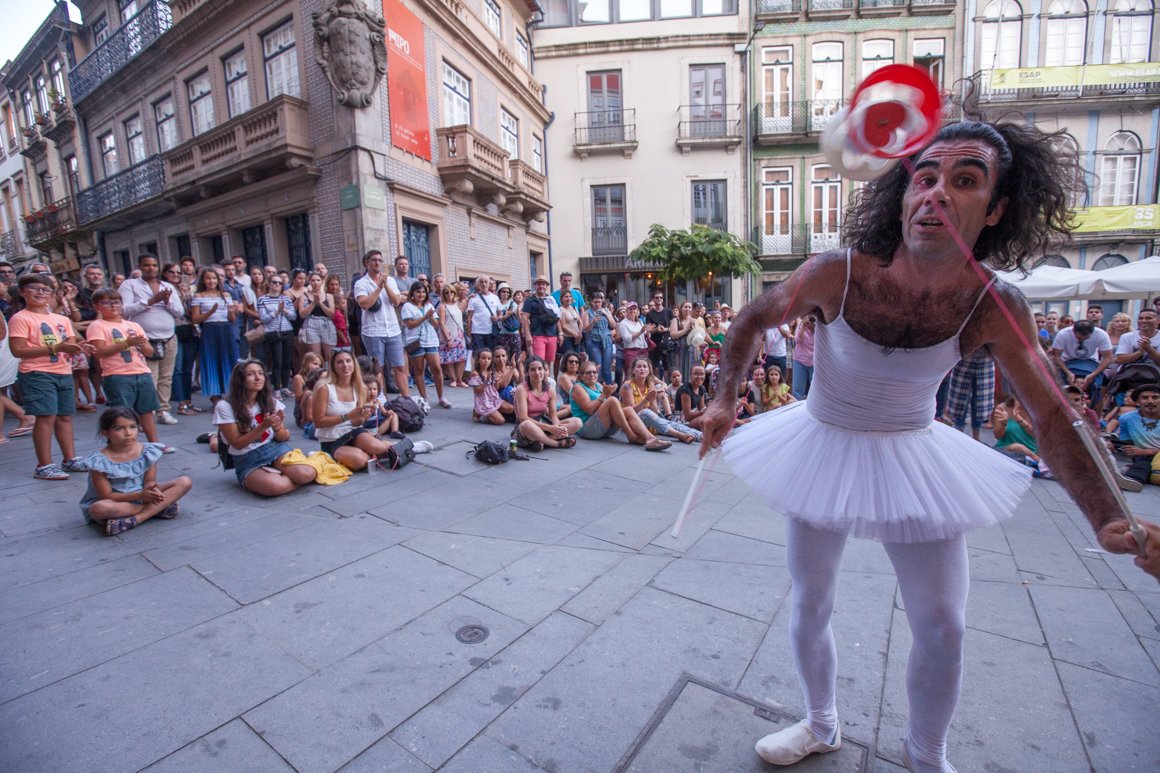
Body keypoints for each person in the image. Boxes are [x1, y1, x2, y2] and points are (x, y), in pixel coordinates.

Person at [699, 120, 1160, 771]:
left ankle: (927, 756)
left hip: (917, 453)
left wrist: (1107, 515)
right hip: (819, 443)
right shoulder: (836, 272)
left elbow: (1052, 413)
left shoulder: (996, 305)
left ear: (996, 209)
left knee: (945, 623)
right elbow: (751, 318)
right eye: (924, 177)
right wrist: (724, 397)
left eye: (965, 180)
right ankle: (821, 723)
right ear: (903, 195)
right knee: (810, 599)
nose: (936, 193)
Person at [9, 273, 94, 479]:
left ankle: (70, 459)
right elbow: (18, 350)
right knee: (45, 417)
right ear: (22, 291)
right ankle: (44, 465)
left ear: (52, 294)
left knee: (65, 417)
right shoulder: (20, 318)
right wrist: (55, 348)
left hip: (63, 371)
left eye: (45, 289)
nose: (40, 292)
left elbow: (70, 344)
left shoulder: (62, 319)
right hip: (37, 373)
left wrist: (81, 347)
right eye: (34, 288)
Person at [85, 288, 175, 454]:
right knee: (120, 413)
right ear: (97, 306)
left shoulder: (133, 325)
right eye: (106, 303)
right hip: (117, 374)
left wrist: (142, 345)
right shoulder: (97, 325)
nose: (113, 306)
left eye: (116, 302)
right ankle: (122, 445)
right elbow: (99, 352)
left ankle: (154, 443)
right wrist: (126, 343)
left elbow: (150, 351)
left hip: (141, 371)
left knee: (146, 410)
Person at [79, 407, 192, 535]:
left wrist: (151, 489)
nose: (128, 433)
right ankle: (156, 509)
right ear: (105, 433)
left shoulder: (148, 451)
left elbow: (149, 480)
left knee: (184, 481)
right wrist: (140, 496)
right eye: (119, 428)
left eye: (133, 427)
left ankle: (136, 519)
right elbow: (107, 495)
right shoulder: (99, 461)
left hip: (142, 495)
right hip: (117, 501)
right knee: (98, 509)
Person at [216, 359, 319, 495]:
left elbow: (283, 437)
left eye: (261, 373)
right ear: (240, 379)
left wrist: (277, 427)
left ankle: (296, 471)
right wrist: (263, 426)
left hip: (274, 448)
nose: (258, 378)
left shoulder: (271, 401)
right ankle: (280, 477)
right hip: (247, 458)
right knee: (276, 487)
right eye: (251, 374)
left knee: (306, 474)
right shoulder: (225, 406)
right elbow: (237, 443)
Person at [313, 351, 421, 471]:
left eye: (348, 361)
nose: (345, 365)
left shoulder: (358, 387)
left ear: (354, 364)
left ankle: (405, 447)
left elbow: (356, 423)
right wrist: (346, 416)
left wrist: (364, 416)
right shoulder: (325, 388)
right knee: (361, 461)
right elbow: (318, 422)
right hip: (332, 439)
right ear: (333, 367)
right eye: (339, 362)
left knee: (379, 448)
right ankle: (397, 448)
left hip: (353, 431)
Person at [119, 255, 184, 426]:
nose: (151, 268)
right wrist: (151, 301)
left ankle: (163, 410)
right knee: (149, 378)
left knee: (166, 377)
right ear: (140, 266)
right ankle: (145, 414)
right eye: (147, 265)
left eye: (154, 265)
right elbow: (124, 309)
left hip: (169, 337)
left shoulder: (167, 286)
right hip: (145, 339)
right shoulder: (130, 285)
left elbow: (179, 312)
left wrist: (167, 301)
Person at [570, 360, 671, 449]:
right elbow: (589, 410)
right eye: (588, 372)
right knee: (613, 400)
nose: (592, 375)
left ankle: (650, 439)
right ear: (581, 375)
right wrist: (604, 395)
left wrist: (609, 393)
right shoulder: (578, 387)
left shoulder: (598, 385)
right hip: (588, 430)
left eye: (595, 372)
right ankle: (631, 435)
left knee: (628, 410)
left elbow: (608, 408)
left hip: (604, 427)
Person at [354, 251, 410, 397]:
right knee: (377, 369)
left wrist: (386, 286)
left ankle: (407, 399)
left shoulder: (390, 280)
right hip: (373, 331)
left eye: (380, 260)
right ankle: (380, 401)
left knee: (400, 367)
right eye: (374, 260)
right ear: (367, 263)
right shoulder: (361, 283)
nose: (377, 263)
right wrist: (378, 288)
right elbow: (364, 304)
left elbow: (396, 301)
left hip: (393, 329)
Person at [620, 356, 700, 443]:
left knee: (673, 424)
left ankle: (701, 436)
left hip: (649, 422)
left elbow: (654, 409)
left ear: (649, 371)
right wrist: (646, 399)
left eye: (645, 366)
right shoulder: (627, 386)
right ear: (633, 370)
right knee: (645, 413)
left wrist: (656, 406)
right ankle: (679, 435)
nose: (642, 369)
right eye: (639, 367)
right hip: (633, 424)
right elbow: (631, 411)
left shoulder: (649, 385)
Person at [189, 268, 240, 404]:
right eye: (208, 278)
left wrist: (231, 311)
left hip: (225, 330)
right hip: (209, 331)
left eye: (214, 278)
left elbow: (232, 319)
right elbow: (195, 319)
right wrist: (210, 312)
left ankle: (231, 393)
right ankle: (215, 396)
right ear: (203, 280)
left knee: (230, 361)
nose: (211, 281)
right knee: (212, 361)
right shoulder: (199, 296)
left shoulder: (225, 295)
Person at [512, 356, 581, 450]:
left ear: (545, 371)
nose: (537, 372)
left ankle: (541, 441)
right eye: (533, 370)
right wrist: (549, 428)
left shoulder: (550, 390)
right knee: (526, 425)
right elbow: (523, 418)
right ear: (527, 372)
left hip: (543, 422)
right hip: (527, 426)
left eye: (540, 369)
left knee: (577, 422)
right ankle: (555, 443)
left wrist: (557, 428)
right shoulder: (521, 389)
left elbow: (553, 416)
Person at [401, 283, 450, 408]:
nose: (421, 294)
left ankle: (441, 397)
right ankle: (424, 398)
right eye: (418, 292)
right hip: (415, 340)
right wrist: (424, 317)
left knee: (437, 369)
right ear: (412, 293)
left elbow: (435, 324)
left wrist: (431, 317)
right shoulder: (407, 306)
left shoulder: (428, 305)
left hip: (430, 340)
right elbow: (409, 325)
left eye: (423, 292)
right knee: (419, 370)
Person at [1050, 319, 1114, 404]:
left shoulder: (1101, 334)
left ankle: (1095, 409)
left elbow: (1108, 358)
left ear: (1092, 332)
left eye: (1086, 338)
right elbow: (1056, 356)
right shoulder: (1063, 334)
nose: (1082, 340)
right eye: (1079, 337)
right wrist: (1067, 372)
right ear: (1074, 331)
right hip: (1067, 361)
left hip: (1091, 362)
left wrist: (1093, 374)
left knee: (1097, 389)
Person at [257, 275, 297, 397]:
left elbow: (293, 316)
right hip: (273, 332)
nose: (277, 285)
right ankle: (277, 388)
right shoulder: (262, 300)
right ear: (269, 283)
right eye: (274, 282)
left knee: (287, 360)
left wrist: (284, 310)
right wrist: (276, 312)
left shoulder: (286, 299)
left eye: (280, 283)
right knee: (277, 361)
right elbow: (263, 319)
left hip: (287, 331)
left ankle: (285, 386)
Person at [943, 349, 995, 441]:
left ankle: (976, 437)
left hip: (985, 362)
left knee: (979, 402)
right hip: (963, 360)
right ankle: (959, 433)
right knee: (959, 401)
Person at [1118, 384, 1160, 487]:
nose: (1150, 401)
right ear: (1137, 402)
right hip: (1143, 458)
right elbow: (1127, 442)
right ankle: (1133, 480)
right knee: (1143, 463)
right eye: (1145, 398)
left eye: (1155, 397)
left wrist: (1145, 451)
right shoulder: (1126, 419)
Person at [297, 271, 337, 364]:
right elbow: (302, 314)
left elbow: (332, 314)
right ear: (309, 282)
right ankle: (318, 371)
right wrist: (313, 303)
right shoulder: (304, 296)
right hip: (311, 323)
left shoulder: (328, 296)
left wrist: (320, 303)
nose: (316, 283)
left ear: (322, 281)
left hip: (326, 324)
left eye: (318, 280)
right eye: (313, 280)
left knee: (330, 356)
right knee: (315, 356)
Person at [522, 276, 561, 365]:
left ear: (546, 286)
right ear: (535, 286)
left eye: (543, 284)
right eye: (539, 284)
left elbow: (557, 317)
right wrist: (528, 335)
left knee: (549, 362)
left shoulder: (551, 300)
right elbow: (525, 317)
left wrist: (560, 333)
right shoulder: (530, 300)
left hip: (552, 335)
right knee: (539, 362)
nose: (541, 286)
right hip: (538, 334)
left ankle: (547, 375)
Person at [468, 348, 513, 424]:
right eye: (483, 358)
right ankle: (481, 412)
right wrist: (486, 380)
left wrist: (497, 381)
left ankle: (487, 412)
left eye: (489, 359)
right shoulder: (476, 373)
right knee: (500, 421)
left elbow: (495, 388)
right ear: (478, 360)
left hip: (493, 398)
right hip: (484, 401)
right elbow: (477, 390)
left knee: (511, 409)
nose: (486, 361)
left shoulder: (491, 371)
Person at [437, 284, 468, 387]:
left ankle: (460, 379)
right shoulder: (442, 306)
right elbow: (441, 324)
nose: (449, 294)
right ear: (443, 294)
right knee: (449, 357)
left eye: (451, 292)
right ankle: (453, 379)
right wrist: (447, 338)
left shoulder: (457, 305)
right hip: (448, 334)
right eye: (446, 292)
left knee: (461, 357)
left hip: (459, 334)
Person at [584, 292, 616, 384]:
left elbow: (613, 325)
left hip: (607, 340)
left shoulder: (606, 311)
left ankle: (609, 387)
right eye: (595, 302)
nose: (597, 304)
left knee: (607, 367)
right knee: (598, 366)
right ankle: (598, 387)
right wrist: (593, 321)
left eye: (599, 302)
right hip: (593, 341)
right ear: (591, 302)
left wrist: (606, 314)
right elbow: (585, 329)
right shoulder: (587, 313)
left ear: (602, 302)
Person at [466, 275, 500, 354]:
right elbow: (469, 318)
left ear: (489, 284)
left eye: (486, 282)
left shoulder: (495, 298)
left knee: (491, 354)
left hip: (491, 332)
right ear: (478, 284)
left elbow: (500, 314)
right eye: (481, 282)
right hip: (477, 332)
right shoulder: (473, 298)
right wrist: (469, 334)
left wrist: (497, 318)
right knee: (479, 355)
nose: (484, 284)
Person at [644, 291, 673, 376]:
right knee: (654, 367)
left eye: (661, 297)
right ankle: (655, 383)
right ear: (653, 299)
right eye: (657, 297)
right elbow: (648, 330)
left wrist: (665, 329)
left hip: (667, 342)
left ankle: (667, 383)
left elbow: (674, 328)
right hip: (654, 343)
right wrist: (656, 330)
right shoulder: (649, 314)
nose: (659, 299)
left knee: (668, 367)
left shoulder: (669, 311)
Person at [617, 302, 648, 372]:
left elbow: (645, 335)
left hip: (643, 350)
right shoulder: (623, 323)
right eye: (630, 309)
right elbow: (627, 338)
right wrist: (640, 332)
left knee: (644, 372)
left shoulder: (640, 322)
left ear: (637, 311)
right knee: (632, 372)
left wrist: (648, 331)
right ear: (627, 311)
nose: (632, 311)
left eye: (634, 309)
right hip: (631, 351)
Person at [790, 315, 816, 400]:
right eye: (804, 318)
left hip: (814, 361)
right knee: (797, 389)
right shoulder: (800, 325)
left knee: (814, 387)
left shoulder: (818, 325)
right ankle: (797, 403)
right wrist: (803, 327)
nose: (807, 321)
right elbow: (797, 340)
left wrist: (812, 327)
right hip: (799, 360)